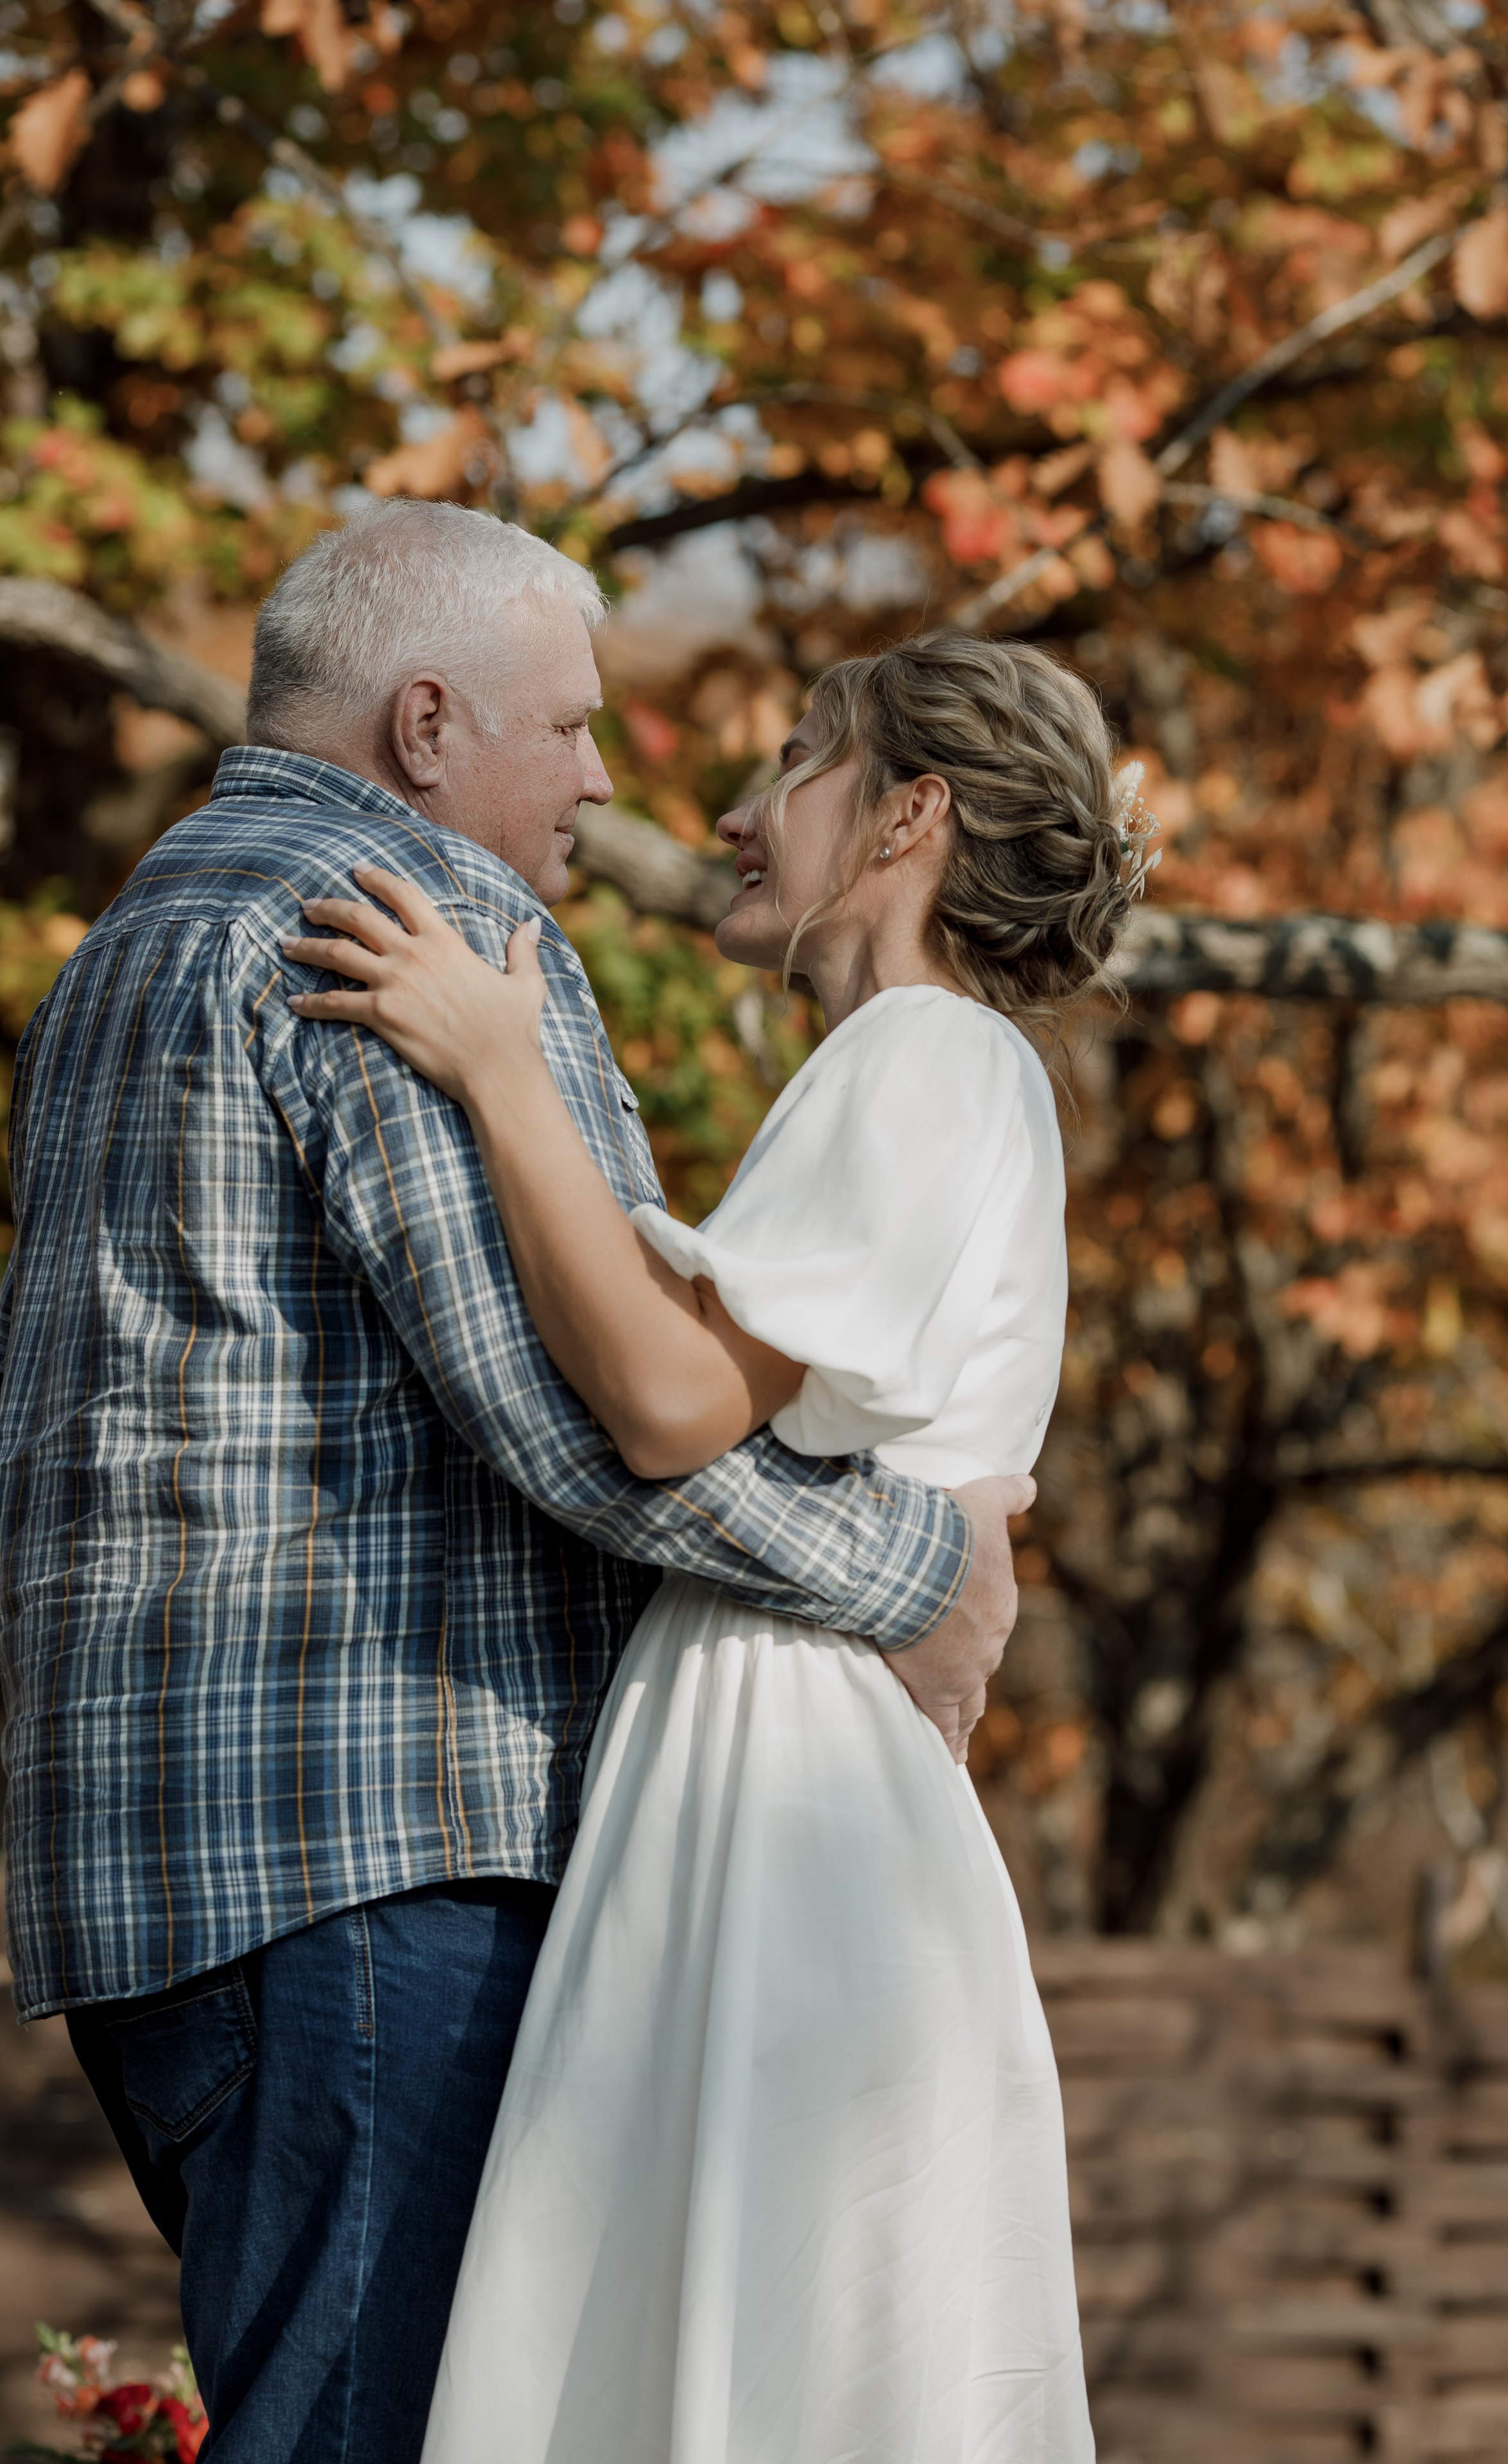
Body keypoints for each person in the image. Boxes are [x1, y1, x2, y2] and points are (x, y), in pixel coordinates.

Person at [0, 504, 1028, 2464]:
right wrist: (918, 1568)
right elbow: (591, 1419)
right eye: (566, 727)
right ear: (424, 724)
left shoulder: (121, 950)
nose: (606, 775)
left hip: (145, 1886)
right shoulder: (416, 931)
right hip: (379, 1853)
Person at [282, 627, 1149, 2461]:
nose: (742, 815)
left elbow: (673, 1405)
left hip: (796, 1781)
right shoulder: (927, 1074)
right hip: (779, 1758)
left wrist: (499, 1073)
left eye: (799, 764)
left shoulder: (925, 1051)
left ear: (912, 811)